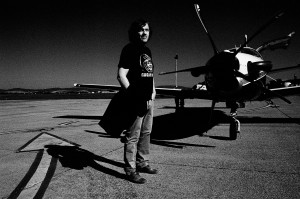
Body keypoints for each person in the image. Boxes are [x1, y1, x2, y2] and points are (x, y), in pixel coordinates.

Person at [117, 19, 157, 184]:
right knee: (133, 135)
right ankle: (130, 169)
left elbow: (149, 74)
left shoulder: (147, 51)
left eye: (147, 30)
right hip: (136, 100)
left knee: (146, 133)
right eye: (141, 30)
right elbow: (121, 75)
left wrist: (153, 92)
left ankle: (142, 163)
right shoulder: (129, 49)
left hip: (149, 100)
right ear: (135, 32)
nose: (144, 33)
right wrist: (135, 97)